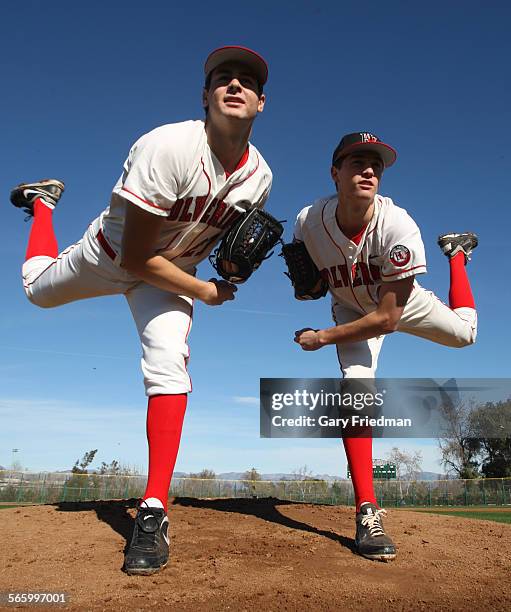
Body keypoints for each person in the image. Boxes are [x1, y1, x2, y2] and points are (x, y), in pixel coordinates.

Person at [9, 45, 272, 575]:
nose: (235, 85)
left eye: (248, 81)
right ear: (206, 95)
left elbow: (227, 242)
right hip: (108, 258)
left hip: (169, 277)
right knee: (36, 289)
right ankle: (43, 205)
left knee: (169, 363)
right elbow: (136, 256)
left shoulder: (261, 177)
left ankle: (153, 510)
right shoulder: (167, 146)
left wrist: (233, 271)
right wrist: (205, 293)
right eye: (224, 77)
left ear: (261, 103)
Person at [292, 132, 478, 561]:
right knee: (356, 386)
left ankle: (455, 256)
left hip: (398, 305)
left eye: (375, 164)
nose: (369, 170)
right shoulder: (308, 220)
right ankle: (367, 511)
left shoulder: (398, 227)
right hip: (348, 307)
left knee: (467, 335)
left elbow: (387, 320)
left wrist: (321, 338)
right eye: (357, 162)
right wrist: (309, 282)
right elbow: (303, 258)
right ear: (334, 172)